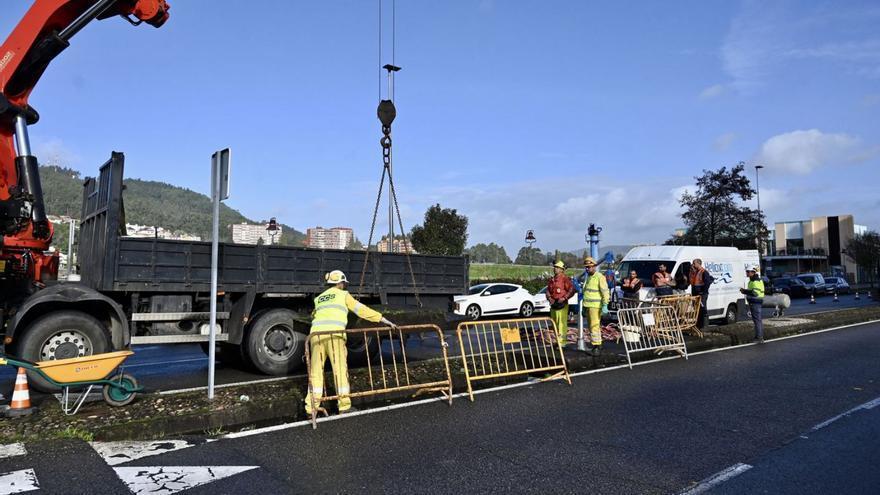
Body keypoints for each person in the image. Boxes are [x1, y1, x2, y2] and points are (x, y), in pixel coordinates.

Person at [304, 270, 398, 415]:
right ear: (340, 283)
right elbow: (361, 310)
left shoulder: (320, 298)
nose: (344, 286)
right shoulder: (343, 295)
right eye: (344, 284)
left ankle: (311, 408)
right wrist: (383, 319)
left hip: (315, 336)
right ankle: (344, 406)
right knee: (339, 371)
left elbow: (314, 316)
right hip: (334, 335)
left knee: (315, 372)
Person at [583, 257, 610, 356]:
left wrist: (605, 305)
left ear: (594, 266)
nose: (587, 269)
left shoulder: (599, 277)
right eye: (586, 267)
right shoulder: (589, 277)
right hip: (589, 306)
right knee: (592, 327)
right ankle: (598, 344)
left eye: (589, 267)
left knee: (594, 326)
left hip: (595, 306)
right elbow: (586, 292)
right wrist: (584, 307)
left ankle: (596, 346)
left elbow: (605, 292)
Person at [546, 260, 575, 346]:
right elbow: (548, 290)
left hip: (562, 305)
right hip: (554, 304)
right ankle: (557, 340)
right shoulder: (552, 279)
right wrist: (549, 297)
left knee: (561, 324)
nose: (555, 269)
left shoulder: (565, 279)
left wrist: (564, 298)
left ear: (562, 269)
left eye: (557, 268)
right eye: (555, 267)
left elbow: (571, 289)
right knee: (554, 324)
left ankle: (562, 343)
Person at [740, 265, 765, 343]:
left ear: (753, 272)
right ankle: (759, 337)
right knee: (757, 320)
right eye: (746, 271)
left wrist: (745, 291)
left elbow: (755, 293)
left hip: (756, 303)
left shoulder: (755, 281)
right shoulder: (752, 280)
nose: (747, 273)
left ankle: (759, 338)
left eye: (748, 271)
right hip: (754, 302)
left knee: (757, 321)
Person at [689, 259, 714, 329]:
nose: (693, 265)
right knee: (697, 310)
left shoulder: (704, 272)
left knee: (702, 309)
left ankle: (704, 326)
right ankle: (699, 325)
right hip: (696, 294)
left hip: (702, 294)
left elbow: (707, 283)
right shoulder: (696, 272)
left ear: (698, 264)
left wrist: (703, 292)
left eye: (694, 263)